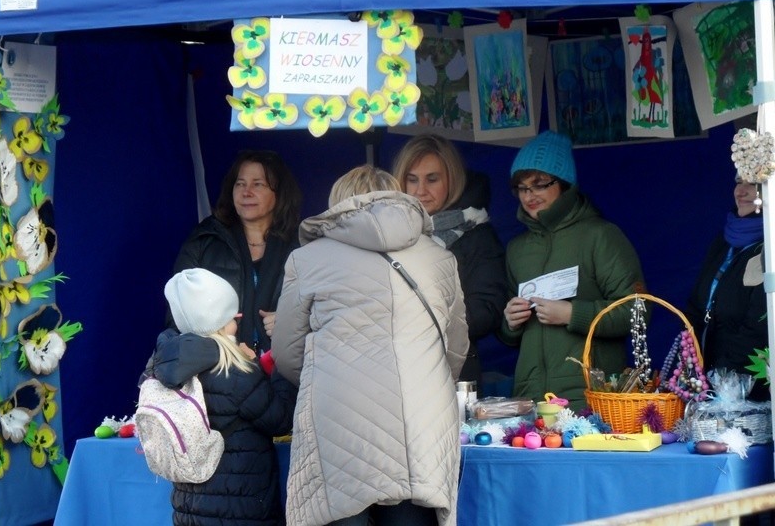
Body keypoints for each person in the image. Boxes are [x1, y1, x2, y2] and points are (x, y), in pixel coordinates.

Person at [272, 165, 469, 526]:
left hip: (338, 418)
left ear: (338, 205)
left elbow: (286, 354)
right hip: (422, 418)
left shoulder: (307, 260)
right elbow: (454, 350)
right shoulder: (440, 258)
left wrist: (329, 375)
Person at [496, 130, 646, 411]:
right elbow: (509, 335)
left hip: (589, 397)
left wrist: (572, 314)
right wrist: (510, 322)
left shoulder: (600, 236)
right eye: (522, 187)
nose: (529, 195)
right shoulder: (517, 249)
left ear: (564, 185)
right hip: (532, 399)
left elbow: (637, 312)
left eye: (540, 184)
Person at [149, 267, 297, 525]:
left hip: (189, 508)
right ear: (220, 322)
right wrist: (277, 372)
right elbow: (280, 420)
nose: (239, 321)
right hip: (244, 507)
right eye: (235, 316)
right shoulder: (236, 372)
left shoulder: (161, 366)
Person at [392, 134, 508, 386]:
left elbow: (488, 308)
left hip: (452, 372)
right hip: (394, 371)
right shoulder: (388, 232)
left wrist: (429, 324)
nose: (420, 190)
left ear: (452, 180)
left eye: (432, 179)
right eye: (412, 180)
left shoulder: (477, 234)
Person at [170, 149, 302, 355]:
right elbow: (177, 312)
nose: (246, 192)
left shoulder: (302, 244)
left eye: (257, 184)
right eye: (240, 184)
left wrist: (292, 324)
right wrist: (218, 337)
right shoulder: (206, 239)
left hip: (283, 371)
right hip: (221, 370)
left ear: (279, 193)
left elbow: (326, 311)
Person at [684, 173, 769, 401]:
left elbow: (758, 329)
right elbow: (695, 306)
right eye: (739, 181)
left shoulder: (770, 247)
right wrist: (689, 366)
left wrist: (723, 383)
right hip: (707, 384)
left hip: (748, 393)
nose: (740, 191)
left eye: (753, 184)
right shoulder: (723, 241)